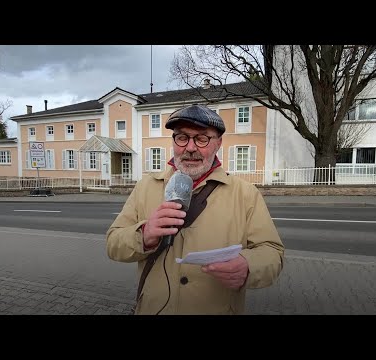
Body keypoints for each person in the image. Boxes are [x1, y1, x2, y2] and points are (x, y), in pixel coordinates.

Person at [106, 104, 284, 315]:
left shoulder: (245, 194)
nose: (190, 147)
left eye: (201, 139)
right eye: (182, 137)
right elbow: (113, 243)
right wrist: (143, 235)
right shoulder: (146, 186)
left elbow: (273, 252)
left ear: (218, 143)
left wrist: (248, 266)